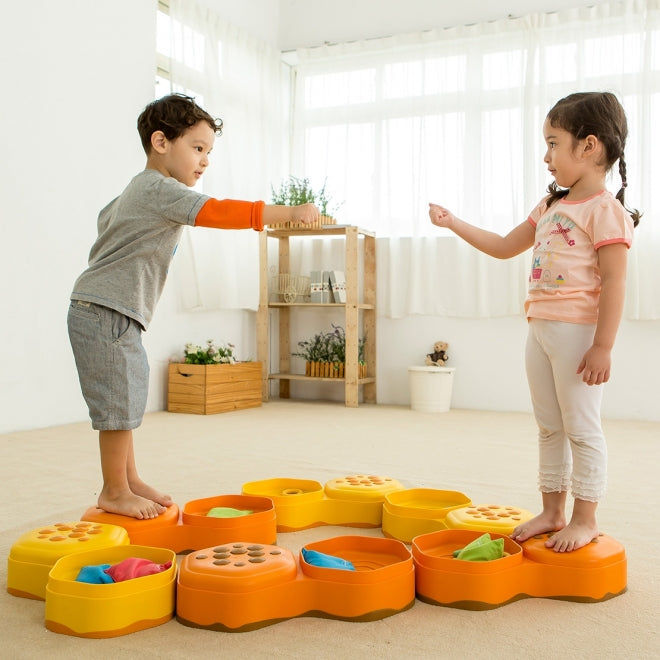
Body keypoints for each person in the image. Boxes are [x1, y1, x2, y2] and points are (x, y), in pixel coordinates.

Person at [68, 93, 319, 520]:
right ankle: (113, 490)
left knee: (125, 399)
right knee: (116, 407)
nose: (204, 161)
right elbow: (217, 212)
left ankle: (129, 480)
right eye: (197, 148)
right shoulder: (159, 189)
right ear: (161, 142)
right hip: (106, 310)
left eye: (209, 152)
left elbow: (105, 219)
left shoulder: (138, 190)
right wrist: (290, 212)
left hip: (113, 311)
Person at [429, 92, 640, 552]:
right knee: (549, 425)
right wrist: (453, 222)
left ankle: (585, 518)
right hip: (540, 329)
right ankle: (552, 511)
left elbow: (615, 281)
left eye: (553, 143)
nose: (546, 156)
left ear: (589, 146)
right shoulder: (549, 207)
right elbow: (505, 246)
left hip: (578, 335)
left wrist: (603, 346)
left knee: (581, 427)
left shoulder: (605, 211)